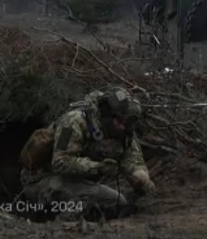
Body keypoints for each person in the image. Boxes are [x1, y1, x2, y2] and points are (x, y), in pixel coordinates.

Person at [18, 86, 155, 221]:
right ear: (107, 113)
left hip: (77, 183)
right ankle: (52, 217)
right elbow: (60, 161)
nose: (122, 127)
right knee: (108, 200)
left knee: (117, 202)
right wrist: (98, 168)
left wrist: (141, 178)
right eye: (119, 121)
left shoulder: (124, 131)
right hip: (43, 180)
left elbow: (133, 160)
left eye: (126, 123)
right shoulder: (73, 121)